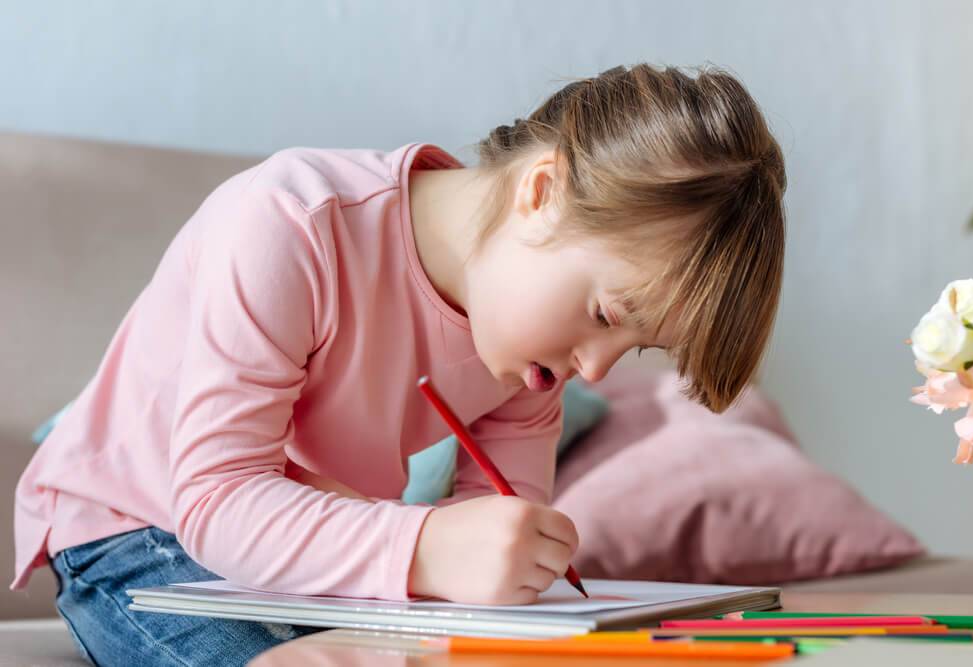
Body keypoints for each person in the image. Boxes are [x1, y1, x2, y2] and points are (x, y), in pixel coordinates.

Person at [12, 63, 786, 665]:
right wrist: (426, 546)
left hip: (301, 544)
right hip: (138, 529)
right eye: (607, 315)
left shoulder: (526, 353)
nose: (597, 370)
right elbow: (216, 500)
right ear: (541, 191)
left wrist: (504, 562)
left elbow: (490, 547)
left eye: (636, 346)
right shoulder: (292, 223)